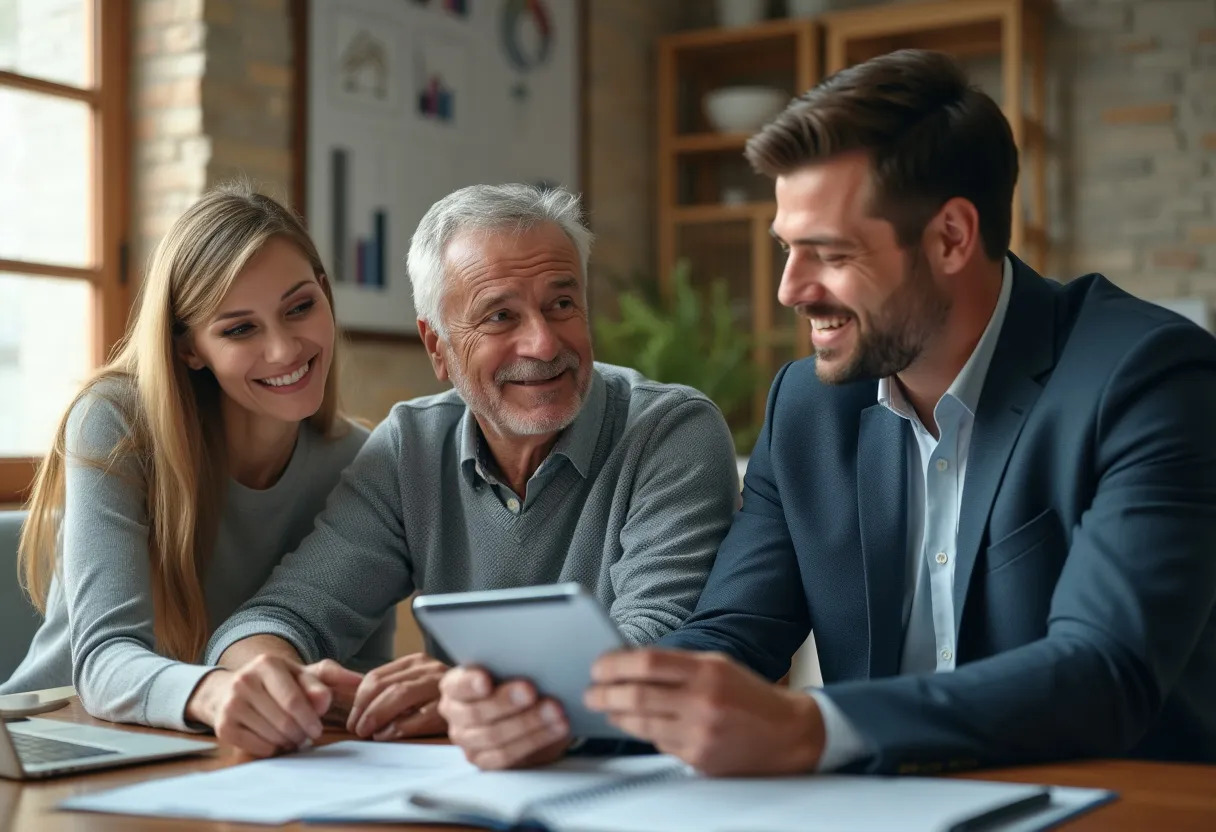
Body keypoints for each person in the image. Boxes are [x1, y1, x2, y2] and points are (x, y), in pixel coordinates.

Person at [438, 49, 1216, 774]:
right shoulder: (810, 403)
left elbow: (1102, 672)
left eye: (831, 254)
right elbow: (733, 635)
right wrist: (558, 706)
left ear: (950, 236)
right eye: (787, 247)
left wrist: (812, 727)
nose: (791, 289)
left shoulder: (1148, 378)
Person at [189, 183, 740, 757]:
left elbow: (662, 645)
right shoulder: (411, 446)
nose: (544, 342)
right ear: (438, 346)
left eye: (562, 303)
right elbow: (282, 614)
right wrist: (272, 678)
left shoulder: (672, 431)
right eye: (500, 316)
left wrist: (472, 688)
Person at [1, 185, 394, 746]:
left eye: (300, 306)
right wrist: (218, 690)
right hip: (55, 738)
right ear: (189, 348)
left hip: (220, 755)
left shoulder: (360, 459)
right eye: (239, 329)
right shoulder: (115, 422)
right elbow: (103, 662)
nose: (284, 350)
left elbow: (355, 670)